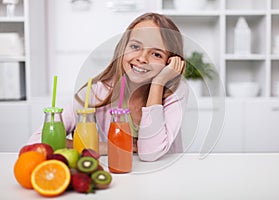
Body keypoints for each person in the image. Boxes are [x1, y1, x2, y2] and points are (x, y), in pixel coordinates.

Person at [28, 12, 188, 162]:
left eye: (156, 54)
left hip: (165, 179)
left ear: (170, 63)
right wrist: (105, 147)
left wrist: (158, 84)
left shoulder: (174, 91)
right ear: (122, 49)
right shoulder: (98, 92)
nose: (142, 58)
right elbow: (37, 142)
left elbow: (150, 153)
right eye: (135, 46)